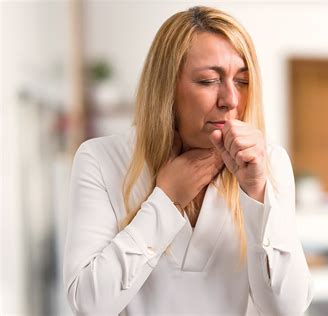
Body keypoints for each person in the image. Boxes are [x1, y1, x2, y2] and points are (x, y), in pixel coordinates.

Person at [63, 6, 313, 315]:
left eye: (242, 81)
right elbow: (89, 304)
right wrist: (165, 201)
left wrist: (257, 193)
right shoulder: (100, 160)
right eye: (209, 80)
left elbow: (286, 310)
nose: (231, 100)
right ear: (166, 87)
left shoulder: (269, 164)